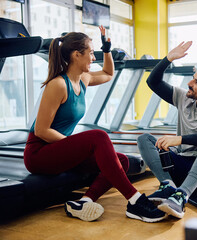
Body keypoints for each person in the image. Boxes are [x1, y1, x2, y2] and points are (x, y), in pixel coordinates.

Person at [23, 26, 166, 223]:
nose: (93, 57)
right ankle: (135, 201)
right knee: (98, 136)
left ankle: (84, 201)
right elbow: (41, 130)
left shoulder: (83, 79)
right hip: (39, 155)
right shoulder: (58, 84)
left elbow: (108, 73)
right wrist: (73, 146)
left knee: (122, 160)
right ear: (76, 55)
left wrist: (106, 49)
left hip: (59, 151)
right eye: (90, 53)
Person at [137, 41, 197, 218]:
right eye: (193, 78)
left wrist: (181, 139)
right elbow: (153, 82)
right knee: (145, 139)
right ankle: (168, 186)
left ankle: (181, 197)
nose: (190, 83)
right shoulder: (184, 97)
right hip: (183, 166)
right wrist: (168, 59)